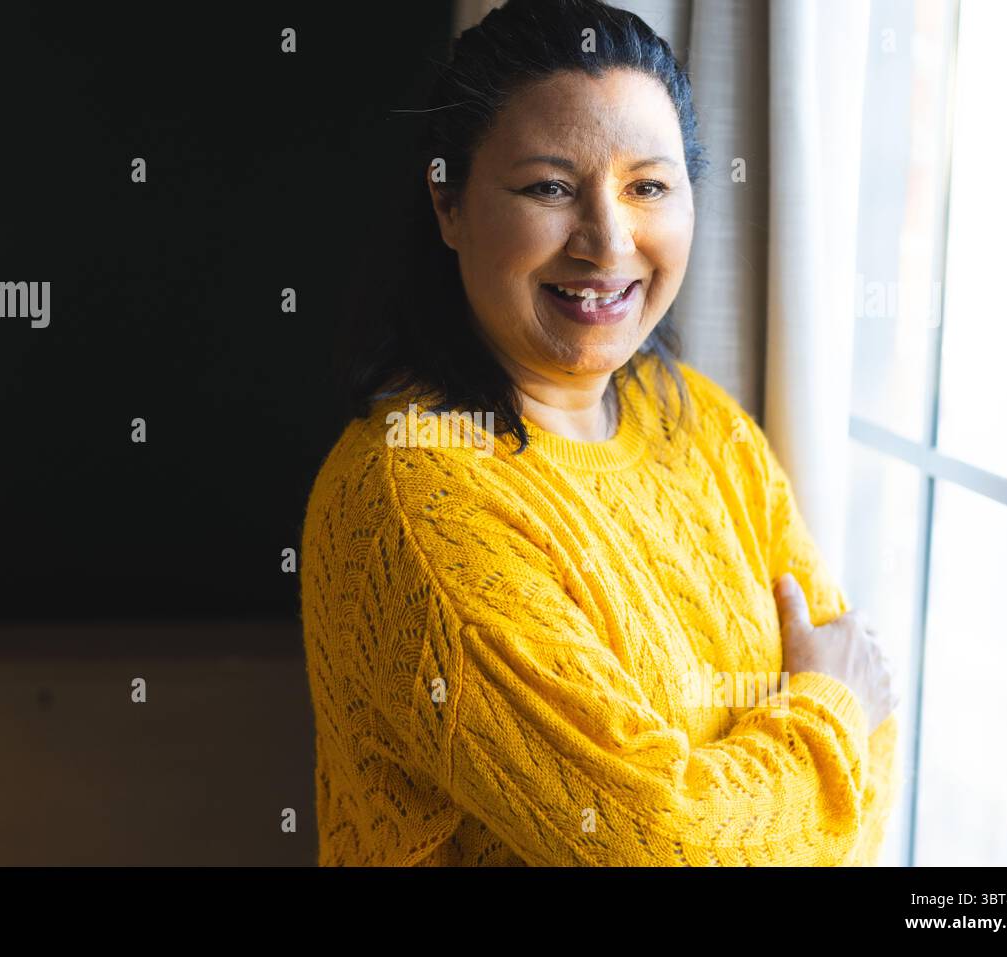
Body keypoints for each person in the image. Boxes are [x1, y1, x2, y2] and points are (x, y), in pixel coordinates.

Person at [299, 0, 899, 866]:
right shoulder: (413, 500)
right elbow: (657, 843)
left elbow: (876, 746)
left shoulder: (701, 421)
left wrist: (826, 737)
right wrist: (825, 716)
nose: (607, 242)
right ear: (449, 203)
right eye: (549, 188)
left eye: (647, 186)